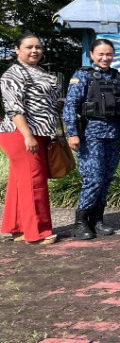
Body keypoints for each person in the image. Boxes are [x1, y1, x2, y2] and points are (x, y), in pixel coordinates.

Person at [0, 33, 61, 244]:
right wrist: (27, 136)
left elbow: (45, 100)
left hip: (40, 133)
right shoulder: (12, 74)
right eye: (29, 47)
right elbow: (13, 108)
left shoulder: (40, 71)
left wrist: (57, 105)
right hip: (21, 133)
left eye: (38, 47)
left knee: (20, 182)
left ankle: (16, 227)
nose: (35, 51)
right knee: (34, 181)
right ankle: (38, 232)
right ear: (17, 49)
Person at [63, 38, 120, 240]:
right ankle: (80, 223)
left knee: (106, 179)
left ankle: (97, 220)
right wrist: (72, 133)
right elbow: (70, 105)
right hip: (90, 135)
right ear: (92, 55)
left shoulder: (117, 76)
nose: (105, 58)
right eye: (101, 54)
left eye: (108, 54)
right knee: (93, 180)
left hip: (112, 135)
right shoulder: (83, 76)